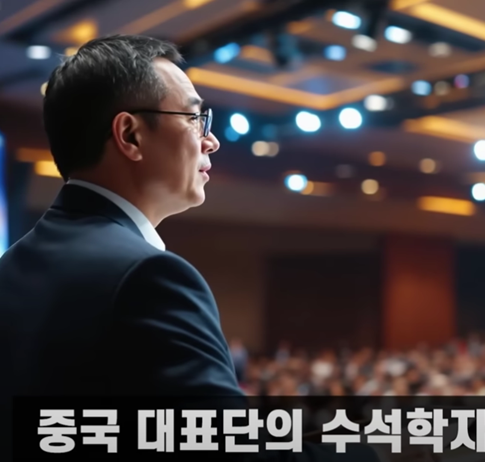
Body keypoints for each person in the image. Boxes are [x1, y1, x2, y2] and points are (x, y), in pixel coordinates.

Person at [0, 35, 434, 462]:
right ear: (130, 135)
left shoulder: (11, 266)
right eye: (194, 118)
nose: (212, 140)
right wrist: (378, 451)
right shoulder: (147, 277)